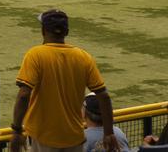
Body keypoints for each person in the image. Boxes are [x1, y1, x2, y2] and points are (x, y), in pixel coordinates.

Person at [10, 9, 117, 152]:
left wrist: (17, 130)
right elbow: (103, 96)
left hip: (43, 138)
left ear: (43, 31)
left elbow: (24, 95)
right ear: (66, 32)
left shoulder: (35, 55)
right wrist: (108, 133)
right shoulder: (83, 57)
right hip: (74, 138)